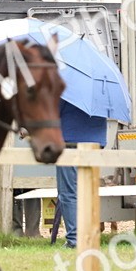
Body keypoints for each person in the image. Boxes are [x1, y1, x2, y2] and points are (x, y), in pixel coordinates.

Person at [56, 99, 107, 248]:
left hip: (70, 139)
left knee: (69, 192)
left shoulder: (66, 87)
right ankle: (89, 235)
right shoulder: (102, 88)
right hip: (95, 141)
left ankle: (75, 239)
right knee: (88, 192)